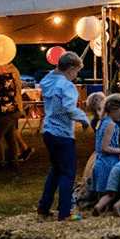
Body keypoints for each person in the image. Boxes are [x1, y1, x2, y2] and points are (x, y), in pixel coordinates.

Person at [36, 51, 90, 221]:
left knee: (56, 170)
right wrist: (84, 118)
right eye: (76, 72)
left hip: (49, 131)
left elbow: (50, 77)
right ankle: (64, 212)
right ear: (71, 69)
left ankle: (44, 207)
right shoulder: (67, 86)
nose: (76, 76)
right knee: (67, 173)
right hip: (63, 134)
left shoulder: (48, 81)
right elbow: (69, 108)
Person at [89, 92, 120, 198]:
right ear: (113, 109)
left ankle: (102, 209)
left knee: (102, 194)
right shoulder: (111, 124)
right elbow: (105, 148)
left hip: (101, 161)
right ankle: (106, 209)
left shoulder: (101, 122)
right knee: (109, 194)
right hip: (108, 163)